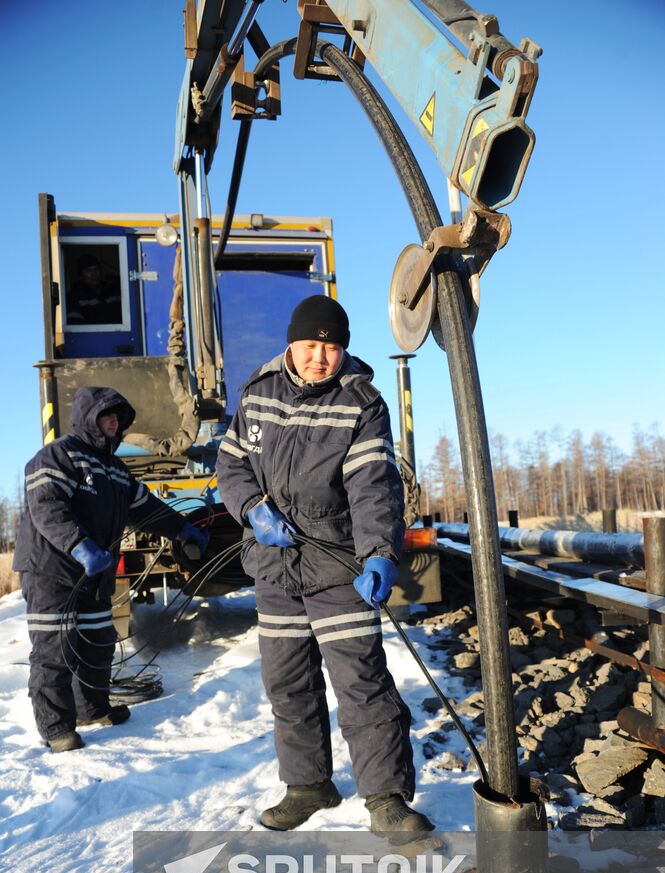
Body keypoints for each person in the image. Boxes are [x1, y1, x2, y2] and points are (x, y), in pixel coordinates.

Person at [216, 295, 433, 833]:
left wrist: (380, 553)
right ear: (291, 344)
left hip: (337, 565)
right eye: (311, 345)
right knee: (287, 683)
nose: (320, 358)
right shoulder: (257, 394)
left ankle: (385, 799)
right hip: (274, 565)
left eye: (331, 347)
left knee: (360, 681)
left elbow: (372, 489)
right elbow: (231, 464)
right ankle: (308, 785)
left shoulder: (361, 403)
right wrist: (251, 508)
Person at [13, 386, 208, 753]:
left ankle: (92, 709)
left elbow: (146, 507)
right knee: (55, 650)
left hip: (94, 571)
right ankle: (57, 729)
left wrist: (182, 529)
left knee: (97, 641)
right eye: (106, 416)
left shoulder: (115, 471)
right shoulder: (57, 457)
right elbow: (46, 507)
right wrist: (78, 544)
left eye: (117, 417)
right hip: (51, 570)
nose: (114, 423)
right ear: (87, 419)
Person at [66, 253, 122, 325]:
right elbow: (76, 327)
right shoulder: (74, 297)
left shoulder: (112, 290)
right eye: (88, 270)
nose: (94, 274)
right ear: (81, 275)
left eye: (96, 269)